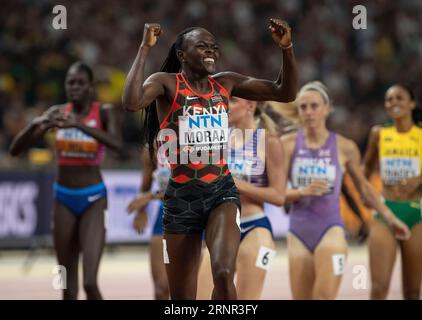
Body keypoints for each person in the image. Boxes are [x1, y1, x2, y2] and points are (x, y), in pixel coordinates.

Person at [122, 19, 298, 299]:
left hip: (221, 192)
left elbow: (285, 93)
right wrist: (144, 47)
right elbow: (131, 102)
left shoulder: (226, 83)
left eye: (214, 47)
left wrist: (286, 48)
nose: (211, 52)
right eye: (202, 46)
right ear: (182, 54)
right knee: (182, 298)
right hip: (181, 199)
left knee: (224, 275)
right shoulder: (165, 83)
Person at [280, 81, 410, 300]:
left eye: (314, 106)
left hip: (331, 229)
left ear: (327, 109)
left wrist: (390, 217)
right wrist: (301, 192)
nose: (309, 112)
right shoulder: (287, 144)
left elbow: (365, 190)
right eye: (303, 107)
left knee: (323, 297)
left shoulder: (344, 147)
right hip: (297, 231)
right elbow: (275, 193)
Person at [9, 62, 122, 300]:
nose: (75, 87)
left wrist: (78, 125)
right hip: (63, 199)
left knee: (90, 282)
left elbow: (118, 146)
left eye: (81, 83)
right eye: (71, 82)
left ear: (91, 86)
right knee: (67, 288)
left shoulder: (103, 111)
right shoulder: (58, 112)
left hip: (94, 199)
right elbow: (15, 151)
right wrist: (37, 123)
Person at [197, 98, 286, 300]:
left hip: (255, 228)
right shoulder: (217, 140)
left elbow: (279, 196)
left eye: (232, 101)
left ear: (250, 106)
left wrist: (239, 185)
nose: (224, 106)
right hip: (221, 226)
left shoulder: (269, 141)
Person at [363, 84, 422, 300]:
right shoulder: (379, 133)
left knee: (413, 292)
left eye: (399, 97)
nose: (394, 102)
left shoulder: (421, 134)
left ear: (412, 103)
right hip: (385, 209)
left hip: (415, 213)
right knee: (379, 288)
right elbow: (366, 168)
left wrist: (419, 179)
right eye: (389, 99)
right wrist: (365, 189)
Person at [127, 147, 170, 300]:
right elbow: (146, 184)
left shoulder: (193, 138)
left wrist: (151, 196)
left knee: (195, 287)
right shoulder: (151, 147)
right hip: (166, 213)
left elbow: (194, 187)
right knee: (161, 288)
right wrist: (141, 211)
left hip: (198, 215)